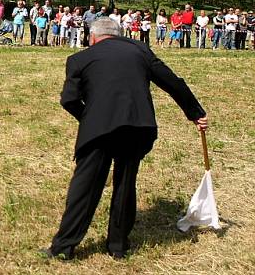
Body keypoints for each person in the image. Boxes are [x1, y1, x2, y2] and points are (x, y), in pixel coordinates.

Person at [41, 18, 207, 261]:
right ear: (119, 34)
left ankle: (64, 247)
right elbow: (173, 82)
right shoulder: (140, 49)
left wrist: (89, 118)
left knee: (85, 187)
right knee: (126, 182)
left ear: (92, 37)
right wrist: (196, 113)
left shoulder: (79, 59)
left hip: (99, 128)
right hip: (137, 125)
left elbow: (69, 100)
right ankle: (118, 246)